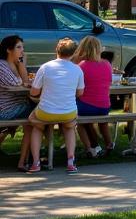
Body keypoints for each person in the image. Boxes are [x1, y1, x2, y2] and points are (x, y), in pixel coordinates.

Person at [26, 37, 85, 173]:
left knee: (36, 126)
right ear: (74, 53)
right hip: (68, 112)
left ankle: (36, 162)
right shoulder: (77, 70)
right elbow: (80, 92)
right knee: (69, 128)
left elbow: (34, 92)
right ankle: (70, 161)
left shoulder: (45, 67)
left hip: (46, 111)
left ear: (56, 50)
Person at [72, 36, 113, 157]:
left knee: (80, 123)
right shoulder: (106, 64)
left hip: (86, 106)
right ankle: (109, 143)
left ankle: (90, 148)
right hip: (104, 105)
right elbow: (109, 82)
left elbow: (76, 88)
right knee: (103, 121)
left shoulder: (81, 66)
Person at [0, 34, 34, 171]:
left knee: (36, 118)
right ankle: (27, 160)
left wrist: (20, 65)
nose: (22, 51)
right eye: (19, 47)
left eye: (23, 47)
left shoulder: (12, 64)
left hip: (17, 106)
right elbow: (21, 84)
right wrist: (21, 64)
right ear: (9, 50)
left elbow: (25, 83)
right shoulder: (2, 66)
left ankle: (28, 159)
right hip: (6, 110)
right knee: (39, 113)